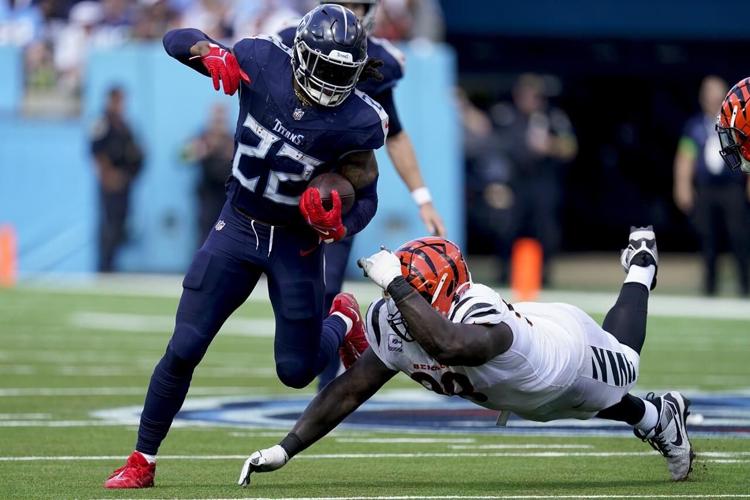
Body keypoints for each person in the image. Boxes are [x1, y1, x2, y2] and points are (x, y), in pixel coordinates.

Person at [104, 5, 388, 488]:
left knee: (296, 372)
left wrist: (340, 227)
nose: (331, 81)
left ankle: (341, 317)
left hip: (296, 244)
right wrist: (211, 53)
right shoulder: (260, 61)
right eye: (323, 66)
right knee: (184, 347)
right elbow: (177, 38)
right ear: (301, 54)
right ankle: (142, 459)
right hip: (237, 226)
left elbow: (367, 195)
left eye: (343, 72)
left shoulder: (358, 120)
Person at [236, 228, 695, 485]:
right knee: (583, 405)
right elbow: (351, 388)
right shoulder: (395, 317)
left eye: (410, 293)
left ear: (438, 293)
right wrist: (286, 447)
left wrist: (396, 284)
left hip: (566, 354)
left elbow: (448, 345)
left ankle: (641, 266)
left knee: (622, 369)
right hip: (523, 391)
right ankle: (660, 417)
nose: (396, 306)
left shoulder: (478, 309)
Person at [277, 0, 446, 389]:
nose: (351, 11)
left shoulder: (378, 62)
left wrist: (422, 196)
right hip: (284, 186)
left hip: (335, 194)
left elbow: (396, 133)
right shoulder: (289, 42)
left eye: (358, 3)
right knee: (291, 300)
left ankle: (326, 390)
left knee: (327, 286)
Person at [495, 73, 577, 284]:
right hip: (515, 182)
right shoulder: (506, 116)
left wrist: (549, 145)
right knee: (508, 228)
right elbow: (495, 148)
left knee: (546, 230)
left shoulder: (553, 117)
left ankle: (543, 276)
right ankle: (505, 275)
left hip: (543, 182)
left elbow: (570, 148)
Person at [676, 76, 750, 296]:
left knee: (739, 236)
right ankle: (709, 288)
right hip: (706, 189)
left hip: (732, 188)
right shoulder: (694, 127)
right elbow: (685, 156)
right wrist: (682, 184)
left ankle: (745, 286)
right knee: (708, 238)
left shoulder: (739, 123)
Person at [90, 86, 144, 272]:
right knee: (109, 225)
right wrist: (108, 176)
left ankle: (112, 264)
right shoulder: (102, 122)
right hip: (110, 183)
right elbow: (96, 152)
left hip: (124, 182)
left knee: (121, 225)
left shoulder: (125, 124)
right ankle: (105, 266)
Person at [182, 103, 235, 243]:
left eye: (221, 118)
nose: (219, 122)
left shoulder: (232, 140)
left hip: (228, 196)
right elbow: (182, 156)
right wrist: (201, 150)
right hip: (208, 196)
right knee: (205, 235)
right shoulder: (202, 139)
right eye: (216, 117)